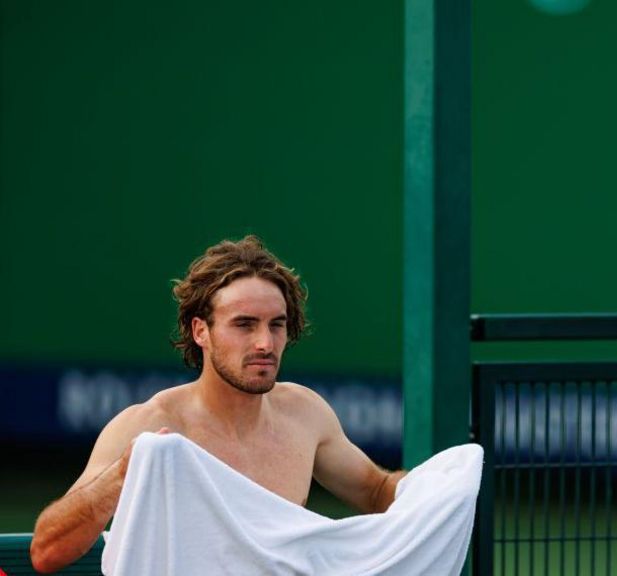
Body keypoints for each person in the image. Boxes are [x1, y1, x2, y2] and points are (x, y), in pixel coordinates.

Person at [30, 235, 406, 573]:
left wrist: (447, 482)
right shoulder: (150, 426)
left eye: (276, 325)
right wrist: (125, 473)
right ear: (200, 332)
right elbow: (47, 550)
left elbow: (377, 491)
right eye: (244, 324)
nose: (265, 343)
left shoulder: (305, 412)